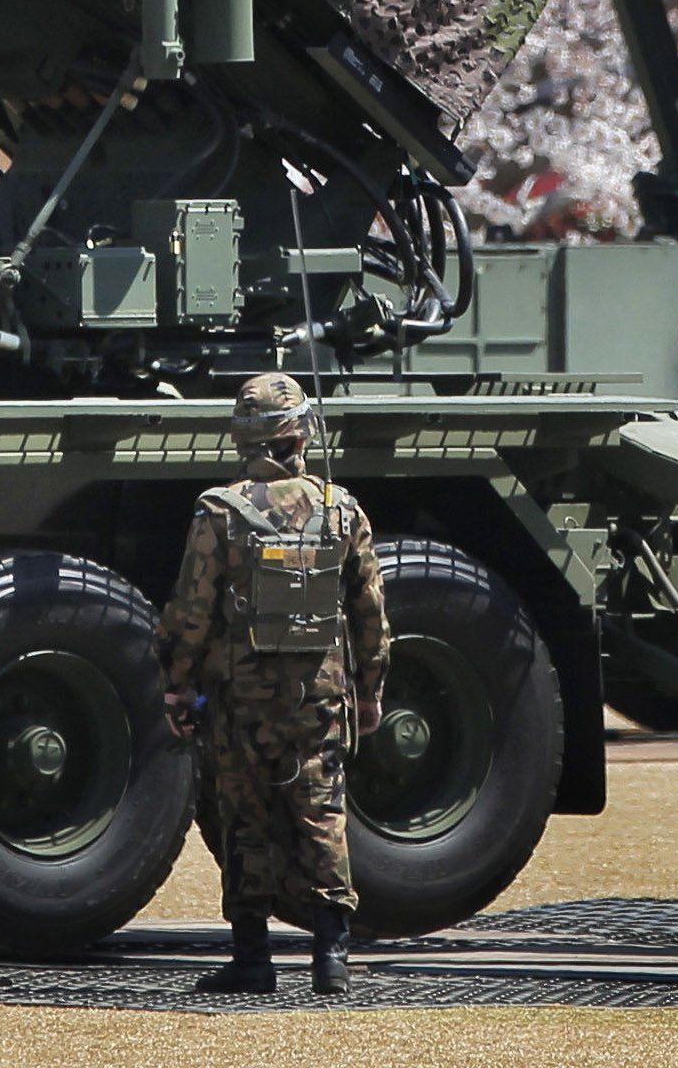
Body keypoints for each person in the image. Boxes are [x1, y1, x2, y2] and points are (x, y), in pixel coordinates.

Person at [156, 372, 388, 996]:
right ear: (301, 435)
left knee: (244, 817)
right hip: (320, 698)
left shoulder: (219, 513)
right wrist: (370, 690)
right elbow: (370, 611)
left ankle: (253, 958)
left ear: (242, 438)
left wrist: (177, 684)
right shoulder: (342, 509)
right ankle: (332, 957)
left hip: (239, 699)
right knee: (323, 811)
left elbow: (191, 611)